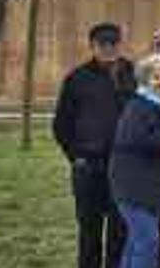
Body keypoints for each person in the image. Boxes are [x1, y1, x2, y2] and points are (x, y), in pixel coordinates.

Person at [53, 23, 136, 268]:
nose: (108, 48)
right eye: (103, 44)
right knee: (89, 230)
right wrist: (75, 156)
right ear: (92, 46)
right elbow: (61, 125)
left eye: (113, 43)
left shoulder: (133, 74)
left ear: (120, 45)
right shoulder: (77, 78)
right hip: (88, 167)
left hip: (123, 168)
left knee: (119, 231)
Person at [109, 54, 160, 268]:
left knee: (136, 243)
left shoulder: (158, 106)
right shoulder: (139, 107)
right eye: (157, 77)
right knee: (148, 244)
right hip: (134, 189)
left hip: (150, 189)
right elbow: (156, 143)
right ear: (144, 80)